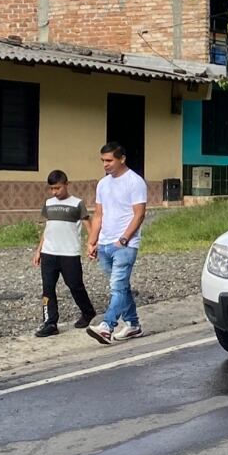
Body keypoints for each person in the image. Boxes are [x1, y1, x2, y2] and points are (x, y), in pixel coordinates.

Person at [87, 142, 148, 344]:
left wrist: (124, 239)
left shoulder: (135, 182)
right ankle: (133, 325)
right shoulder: (103, 184)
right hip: (105, 244)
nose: (105, 164)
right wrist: (92, 240)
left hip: (125, 245)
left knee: (117, 286)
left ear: (122, 159)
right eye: (103, 161)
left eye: (109, 160)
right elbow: (98, 214)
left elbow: (139, 214)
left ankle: (107, 326)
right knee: (121, 288)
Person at [32, 170, 96, 337]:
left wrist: (92, 245)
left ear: (67, 184)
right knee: (47, 288)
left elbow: (89, 227)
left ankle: (88, 313)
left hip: (69, 253)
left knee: (75, 285)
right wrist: (39, 251)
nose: (55, 192)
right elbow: (48, 228)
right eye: (52, 188)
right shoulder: (48, 203)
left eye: (58, 188)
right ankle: (50, 323)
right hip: (49, 253)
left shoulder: (77, 203)